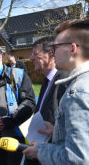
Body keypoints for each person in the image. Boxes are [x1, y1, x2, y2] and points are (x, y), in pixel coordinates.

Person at [23, 19, 89, 164]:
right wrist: (58, 131)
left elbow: (77, 159)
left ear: (72, 49)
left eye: (56, 47)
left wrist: (40, 150)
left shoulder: (78, 92)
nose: (53, 52)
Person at [25, 36, 68, 165]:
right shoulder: (47, 79)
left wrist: (56, 131)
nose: (31, 58)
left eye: (35, 53)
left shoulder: (64, 82)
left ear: (51, 55)